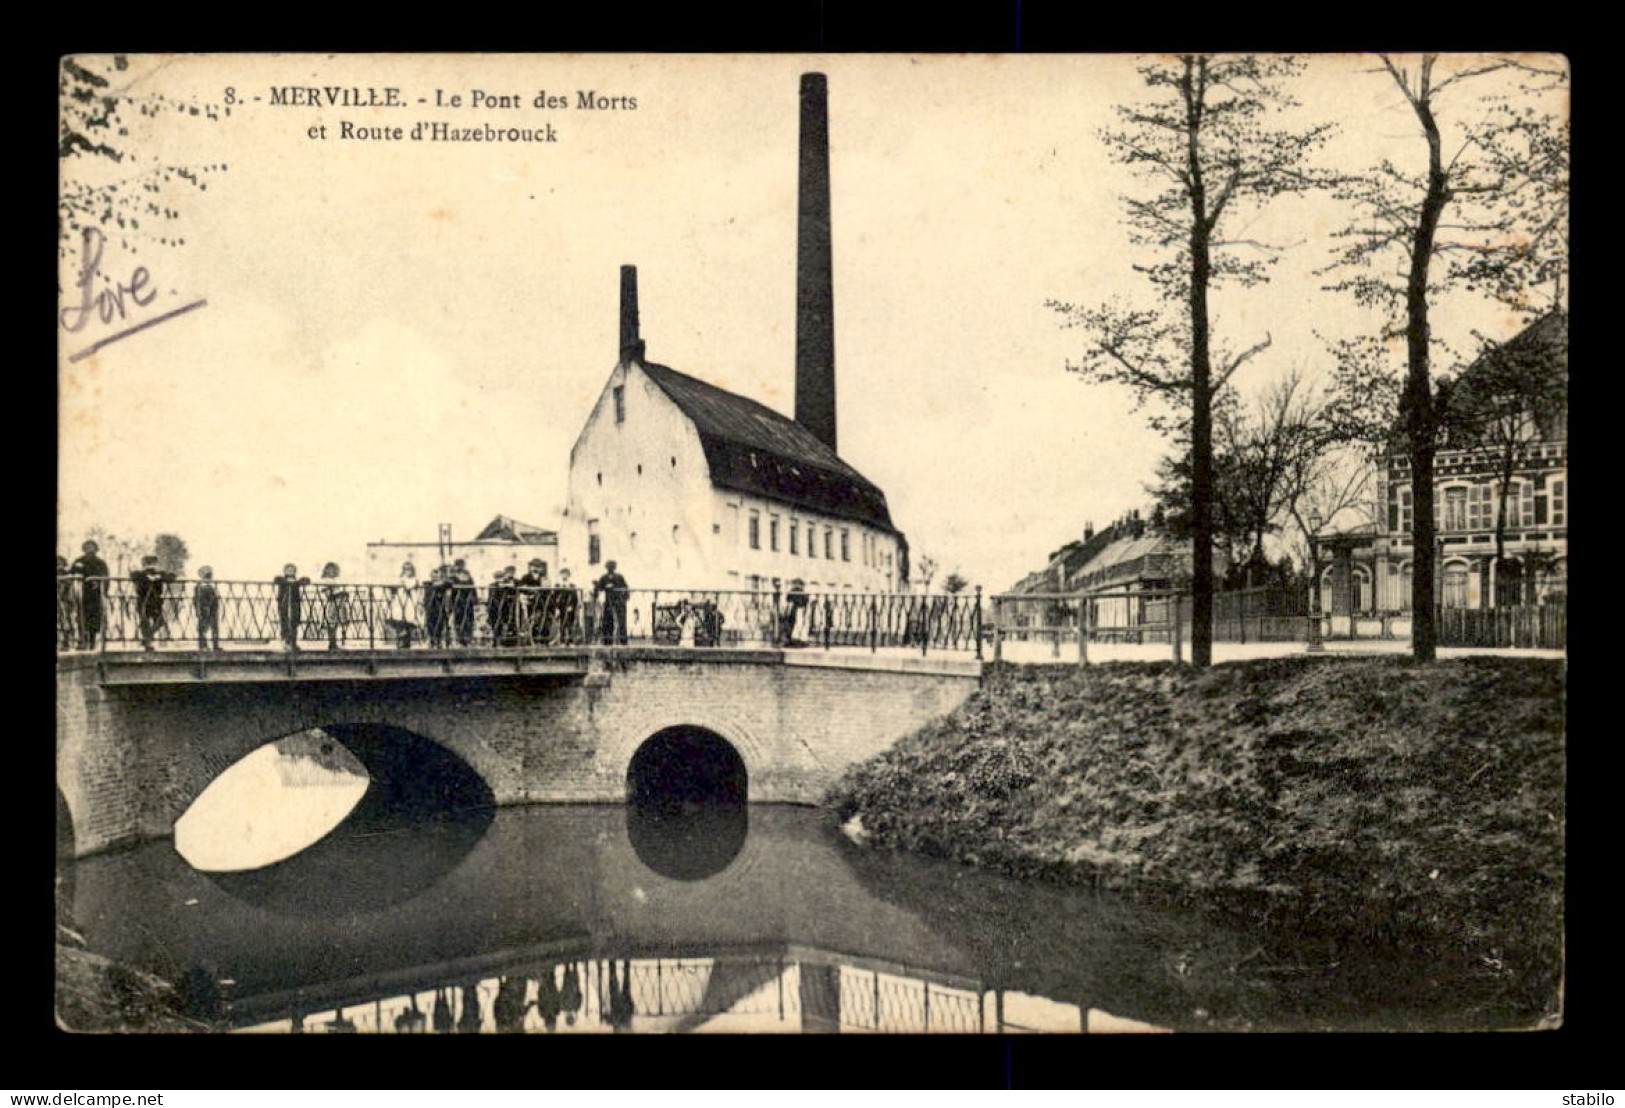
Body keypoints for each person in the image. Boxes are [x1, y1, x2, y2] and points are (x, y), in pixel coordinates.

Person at [68, 540, 108, 650]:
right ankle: (81, 641)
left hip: (95, 595)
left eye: (92, 547)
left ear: (96, 549)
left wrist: (101, 586)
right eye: (87, 547)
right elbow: (72, 574)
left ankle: (92, 641)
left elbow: (105, 577)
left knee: (94, 618)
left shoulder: (100, 563)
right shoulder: (78, 561)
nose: (90, 550)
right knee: (80, 616)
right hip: (82, 593)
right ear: (84, 549)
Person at [131, 555, 176, 651]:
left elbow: (172, 577)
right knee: (145, 622)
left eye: (152, 564)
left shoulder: (159, 574)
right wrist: (147, 577)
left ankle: (147, 638)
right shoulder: (140, 574)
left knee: (159, 621)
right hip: (143, 601)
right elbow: (133, 576)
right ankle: (147, 643)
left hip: (155, 602)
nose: (150, 567)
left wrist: (159, 577)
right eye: (147, 564)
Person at [593, 560, 630, 645]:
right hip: (609, 602)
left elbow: (625, 588)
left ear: (614, 568)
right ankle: (607, 641)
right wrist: (602, 588)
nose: (610, 569)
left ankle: (623, 641)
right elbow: (598, 588)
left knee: (621, 622)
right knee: (608, 621)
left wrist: (624, 598)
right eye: (609, 567)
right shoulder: (604, 578)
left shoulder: (619, 577)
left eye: (612, 567)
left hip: (618, 601)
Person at [273, 565, 310, 651]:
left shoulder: (296, 581)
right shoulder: (282, 579)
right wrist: (287, 582)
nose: (291, 571)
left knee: (295, 622)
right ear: (285, 571)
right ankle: (285, 642)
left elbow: (307, 581)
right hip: (284, 604)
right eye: (288, 570)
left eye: (293, 570)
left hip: (295, 604)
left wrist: (299, 582)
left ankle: (293, 642)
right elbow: (276, 579)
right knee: (284, 622)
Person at [517, 559, 550, 644]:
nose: (536, 568)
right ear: (530, 567)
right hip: (530, 602)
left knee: (543, 619)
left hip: (541, 602)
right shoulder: (525, 577)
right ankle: (531, 640)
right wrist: (529, 592)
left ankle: (543, 640)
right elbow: (521, 588)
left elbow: (547, 589)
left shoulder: (544, 577)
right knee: (531, 620)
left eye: (538, 566)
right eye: (534, 566)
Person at [488, 566, 519, 647]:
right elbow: (492, 597)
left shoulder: (506, 585)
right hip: (494, 608)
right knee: (496, 625)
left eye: (500, 577)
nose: (499, 579)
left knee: (504, 625)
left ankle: (506, 642)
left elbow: (512, 592)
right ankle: (496, 642)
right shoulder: (493, 585)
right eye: (497, 578)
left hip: (504, 608)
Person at [449, 559, 476, 646]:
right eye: (459, 565)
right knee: (458, 619)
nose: (460, 567)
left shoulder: (468, 576)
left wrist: (475, 599)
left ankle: (468, 638)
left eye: (462, 565)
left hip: (468, 601)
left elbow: (473, 588)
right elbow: (450, 588)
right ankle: (460, 639)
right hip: (458, 601)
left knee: (469, 618)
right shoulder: (453, 577)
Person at [193, 566, 221, 651]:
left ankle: (212, 645)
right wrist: (199, 609)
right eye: (208, 575)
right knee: (204, 628)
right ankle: (204, 645)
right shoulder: (201, 587)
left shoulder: (207, 586)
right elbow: (198, 600)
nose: (210, 577)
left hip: (211, 608)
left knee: (212, 627)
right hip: (205, 608)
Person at [423, 565, 450, 648]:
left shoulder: (443, 584)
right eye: (433, 574)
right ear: (430, 575)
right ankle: (431, 641)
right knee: (430, 624)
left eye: (437, 574)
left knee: (440, 624)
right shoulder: (427, 584)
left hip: (439, 608)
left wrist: (440, 583)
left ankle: (438, 641)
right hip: (430, 608)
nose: (435, 576)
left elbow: (449, 583)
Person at [554, 568, 581, 644]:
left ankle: (570, 640)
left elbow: (575, 598)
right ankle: (562, 640)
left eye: (566, 574)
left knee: (570, 623)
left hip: (570, 607)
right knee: (562, 623)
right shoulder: (557, 585)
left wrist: (572, 606)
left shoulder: (572, 586)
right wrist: (556, 608)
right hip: (561, 607)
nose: (564, 576)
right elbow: (554, 597)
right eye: (563, 574)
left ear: (569, 575)